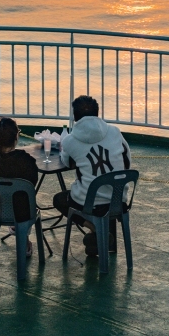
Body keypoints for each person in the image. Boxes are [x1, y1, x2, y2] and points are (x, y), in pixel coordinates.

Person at [54, 95, 131, 256]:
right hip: (118, 200)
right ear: (98, 113)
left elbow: (67, 162)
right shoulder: (115, 132)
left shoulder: (70, 141)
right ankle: (98, 240)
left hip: (90, 204)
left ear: (75, 116)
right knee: (103, 193)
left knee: (59, 199)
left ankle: (94, 228)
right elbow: (127, 163)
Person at [0, 117, 39, 257]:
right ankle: (23, 237)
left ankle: (16, 230)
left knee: (13, 199)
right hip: (22, 213)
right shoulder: (26, 160)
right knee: (25, 201)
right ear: (15, 136)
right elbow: (31, 185)